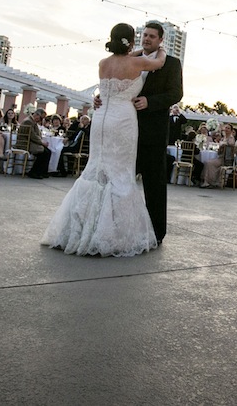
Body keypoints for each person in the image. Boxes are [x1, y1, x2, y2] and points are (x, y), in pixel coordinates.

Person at [41, 23, 167, 256]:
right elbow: (159, 63)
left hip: (100, 119)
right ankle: (111, 233)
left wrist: (135, 51)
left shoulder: (103, 63)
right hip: (123, 120)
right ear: (130, 41)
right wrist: (162, 50)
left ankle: (79, 228)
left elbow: (112, 79)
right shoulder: (136, 62)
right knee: (120, 173)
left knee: (96, 169)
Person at [133, 21, 183, 244]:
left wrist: (150, 102)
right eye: (145, 35)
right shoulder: (131, 60)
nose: (147, 39)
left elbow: (176, 93)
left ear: (161, 40)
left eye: (152, 36)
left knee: (154, 185)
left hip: (153, 133)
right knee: (121, 181)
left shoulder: (171, 64)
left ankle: (156, 232)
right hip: (127, 130)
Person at [22, 109, 50, 179]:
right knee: (44, 153)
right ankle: (34, 172)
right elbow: (32, 135)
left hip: (32, 142)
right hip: (26, 143)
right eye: (41, 118)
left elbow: (37, 134)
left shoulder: (33, 121)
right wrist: (41, 142)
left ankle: (42, 172)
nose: (41, 120)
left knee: (48, 151)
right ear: (37, 115)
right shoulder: (28, 121)